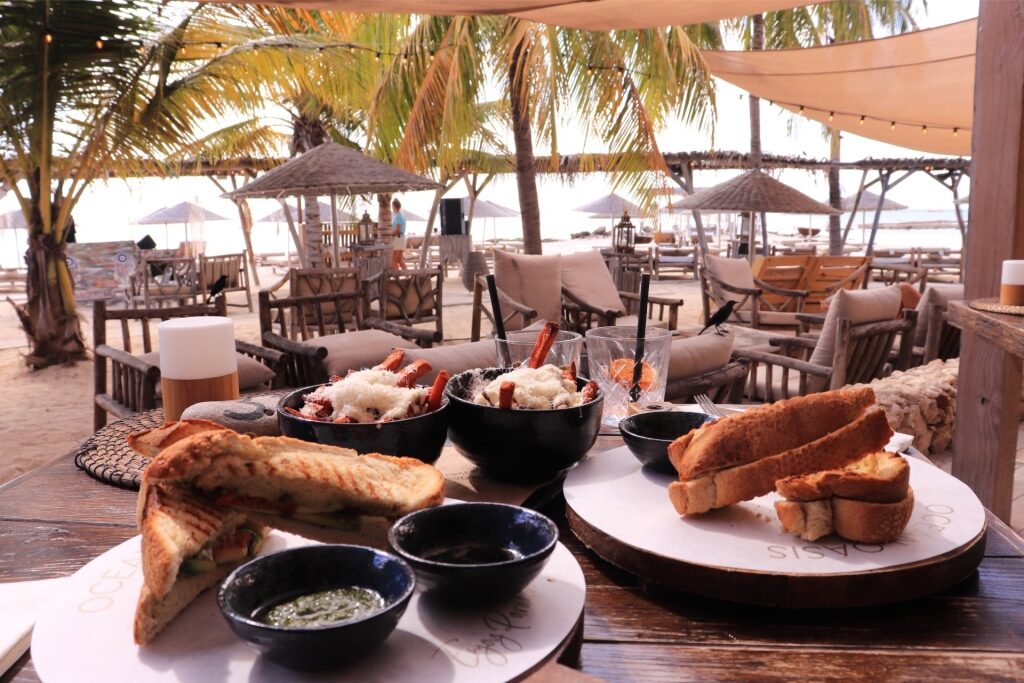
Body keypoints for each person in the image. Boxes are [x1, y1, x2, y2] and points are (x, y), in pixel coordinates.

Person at [390, 198, 408, 270]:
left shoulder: (397, 216)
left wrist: (389, 234)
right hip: (402, 238)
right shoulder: (402, 215)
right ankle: (407, 275)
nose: (392, 209)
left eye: (392, 207)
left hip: (398, 238)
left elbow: (397, 230)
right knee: (399, 260)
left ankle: (396, 277)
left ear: (394, 206)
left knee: (394, 260)